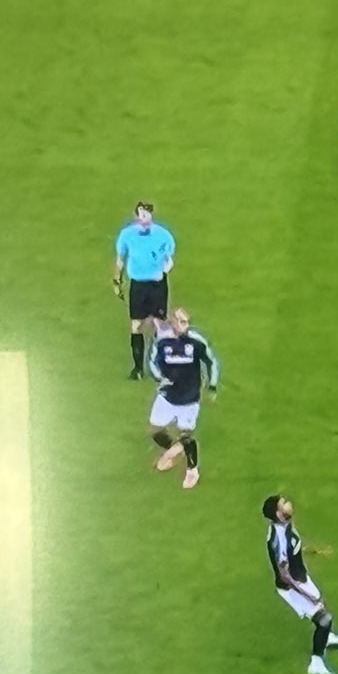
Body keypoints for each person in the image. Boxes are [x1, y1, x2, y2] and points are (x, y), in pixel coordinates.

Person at [263, 494, 338, 674]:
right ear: (278, 514)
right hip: (291, 586)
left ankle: (326, 638)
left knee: (321, 607)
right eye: (283, 504)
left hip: (299, 577)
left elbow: (293, 546)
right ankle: (316, 664)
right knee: (324, 619)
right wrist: (307, 595)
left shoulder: (285, 526)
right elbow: (284, 575)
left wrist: (312, 551)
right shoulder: (278, 539)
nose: (288, 504)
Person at [147, 308, 220, 492]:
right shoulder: (162, 340)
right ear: (172, 321)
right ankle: (174, 449)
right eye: (179, 321)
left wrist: (212, 385)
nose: (182, 325)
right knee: (155, 430)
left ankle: (192, 470)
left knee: (186, 435)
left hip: (189, 397)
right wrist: (160, 378)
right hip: (167, 395)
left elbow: (211, 360)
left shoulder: (196, 341)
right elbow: (152, 362)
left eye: (185, 322)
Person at [112, 201, 175, 379]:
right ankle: (138, 368)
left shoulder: (164, 236)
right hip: (138, 286)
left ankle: (159, 366)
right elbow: (121, 259)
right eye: (141, 214)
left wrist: (165, 268)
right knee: (136, 325)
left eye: (147, 213)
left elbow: (169, 259)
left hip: (157, 285)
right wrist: (117, 280)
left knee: (160, 325)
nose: (144, 217)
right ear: (136, 215)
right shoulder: (127, 235)